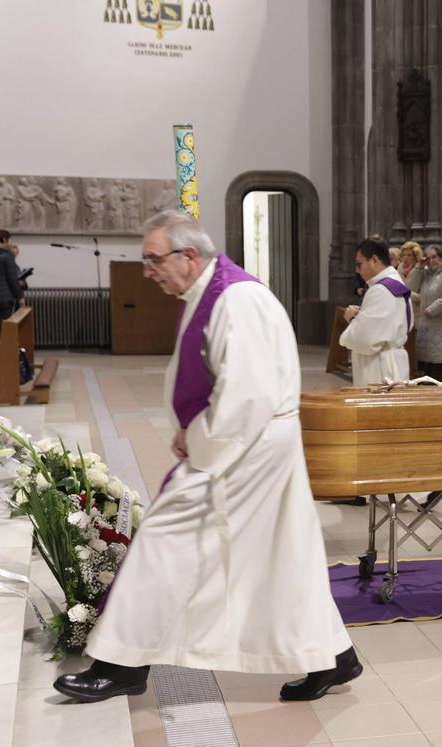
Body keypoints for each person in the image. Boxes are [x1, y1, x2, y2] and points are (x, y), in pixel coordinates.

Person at [54, 211, 358, 702]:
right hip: (243, 445)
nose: (148, 271)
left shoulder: (238, 300)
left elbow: (248, 395)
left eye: (154, 260)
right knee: (282, 560)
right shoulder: (211, 292)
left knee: (160, 543)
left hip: (241, 452)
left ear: (188, 254)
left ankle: (120, 666)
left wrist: (197, 438)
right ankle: (335, 659)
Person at [339, 237, 413, 386]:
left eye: (359, 264)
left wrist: (352, 319)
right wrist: (361, 317)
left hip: (379, 368)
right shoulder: (394, 282)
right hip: (389, 362)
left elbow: (365, 338)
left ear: (374, 260)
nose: (357, 270)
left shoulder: (381, 290)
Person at [405, 244, 442, 383]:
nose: (431, 261)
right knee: (430, 366)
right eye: (428, 258)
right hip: (430, 324)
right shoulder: (426, 273)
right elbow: (409, 287)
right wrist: (418, 267)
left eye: (434, 257)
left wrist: (431, 310)